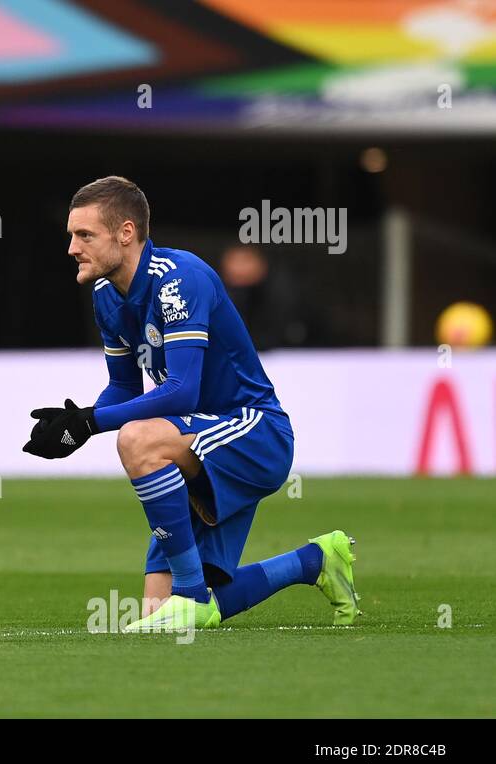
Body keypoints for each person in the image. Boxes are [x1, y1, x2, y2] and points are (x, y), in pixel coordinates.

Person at [22, 176, 361, 631]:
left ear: (126, 233)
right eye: (71, 235)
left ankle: (190, 591)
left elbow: (181, 390)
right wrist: (77, 422)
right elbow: (123, 389)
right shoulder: (106, 296)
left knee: (136, 439)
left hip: (252, 432)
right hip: (191, 447)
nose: (71, 248)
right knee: (161, 619)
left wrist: (92, 423)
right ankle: (316, 561)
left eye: (84, 235)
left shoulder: (180, 280)